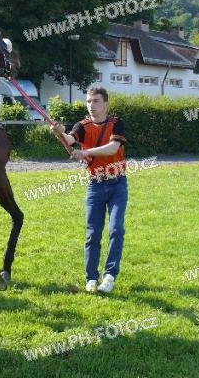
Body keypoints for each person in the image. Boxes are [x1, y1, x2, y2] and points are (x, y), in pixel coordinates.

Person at [51, 87, 127, 293]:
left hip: (118, 184)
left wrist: (85, 152)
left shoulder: (116, 123)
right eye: (88, 101)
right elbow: (69, 140)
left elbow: (113, 148)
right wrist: (59, 132)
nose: (91, 105)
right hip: (95, 185)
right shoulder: (82, 125)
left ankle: (109, 276)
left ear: (106, 105)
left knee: (116, 229)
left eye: (96, 101)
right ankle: (91, 278)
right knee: (92, 233)